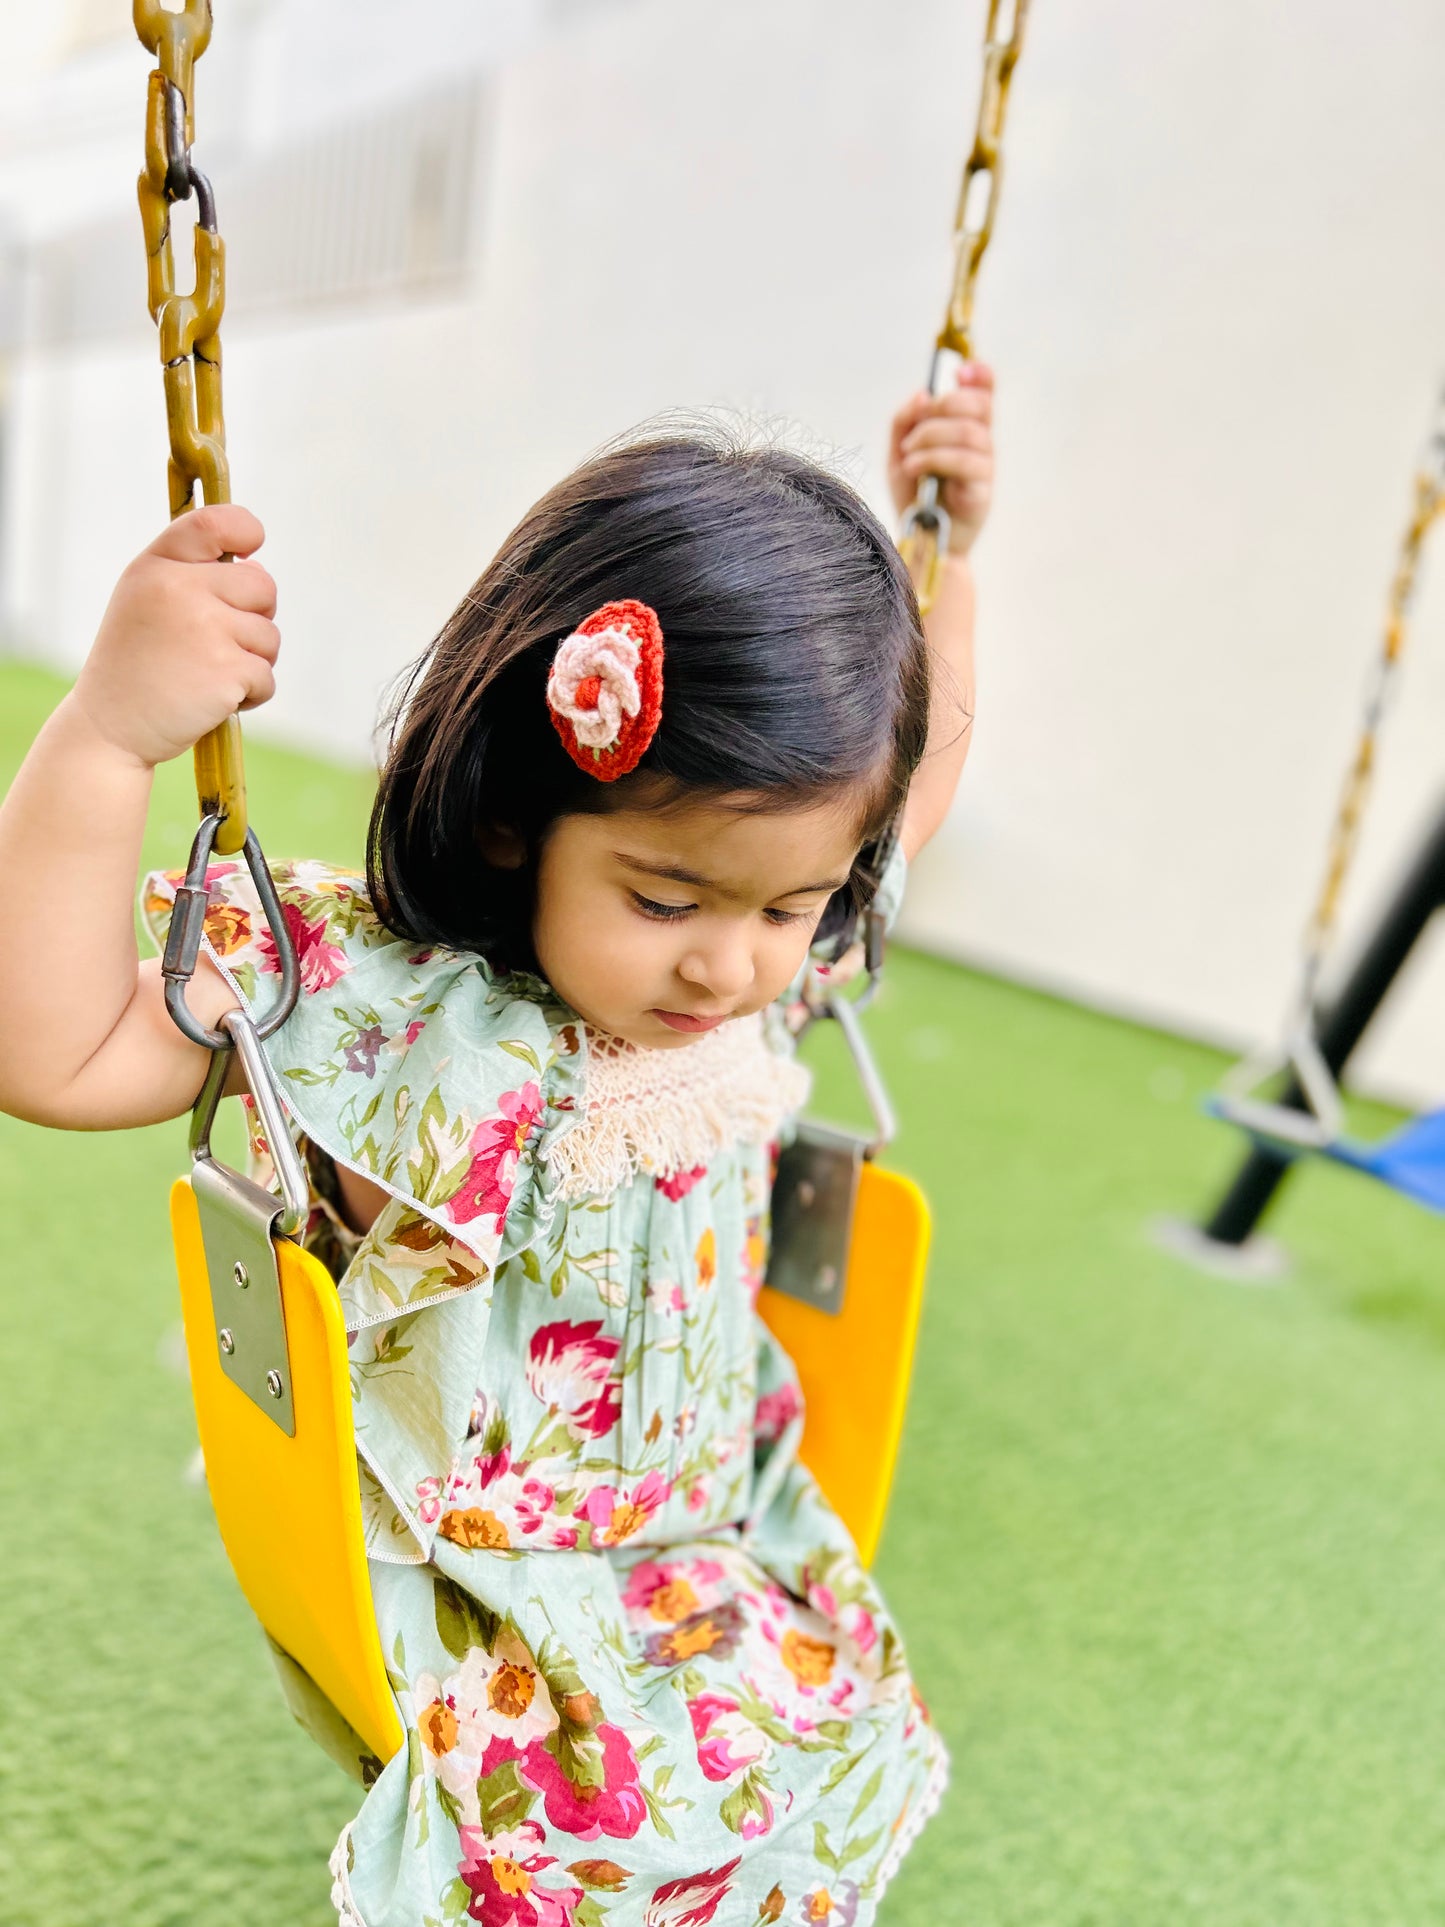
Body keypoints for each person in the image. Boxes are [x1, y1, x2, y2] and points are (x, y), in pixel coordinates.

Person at [0, 368, 995, 1924]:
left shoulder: (776, 975)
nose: (728, 966)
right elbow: (47, 1053)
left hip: (707, 1542)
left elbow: (914, 779)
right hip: (475, 1589)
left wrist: (953, 556)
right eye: (665, 897)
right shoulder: (387, 1001)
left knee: (820, 1780)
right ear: (517, 816)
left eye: (785, 907)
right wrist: (109, 738)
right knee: (596, 1861)